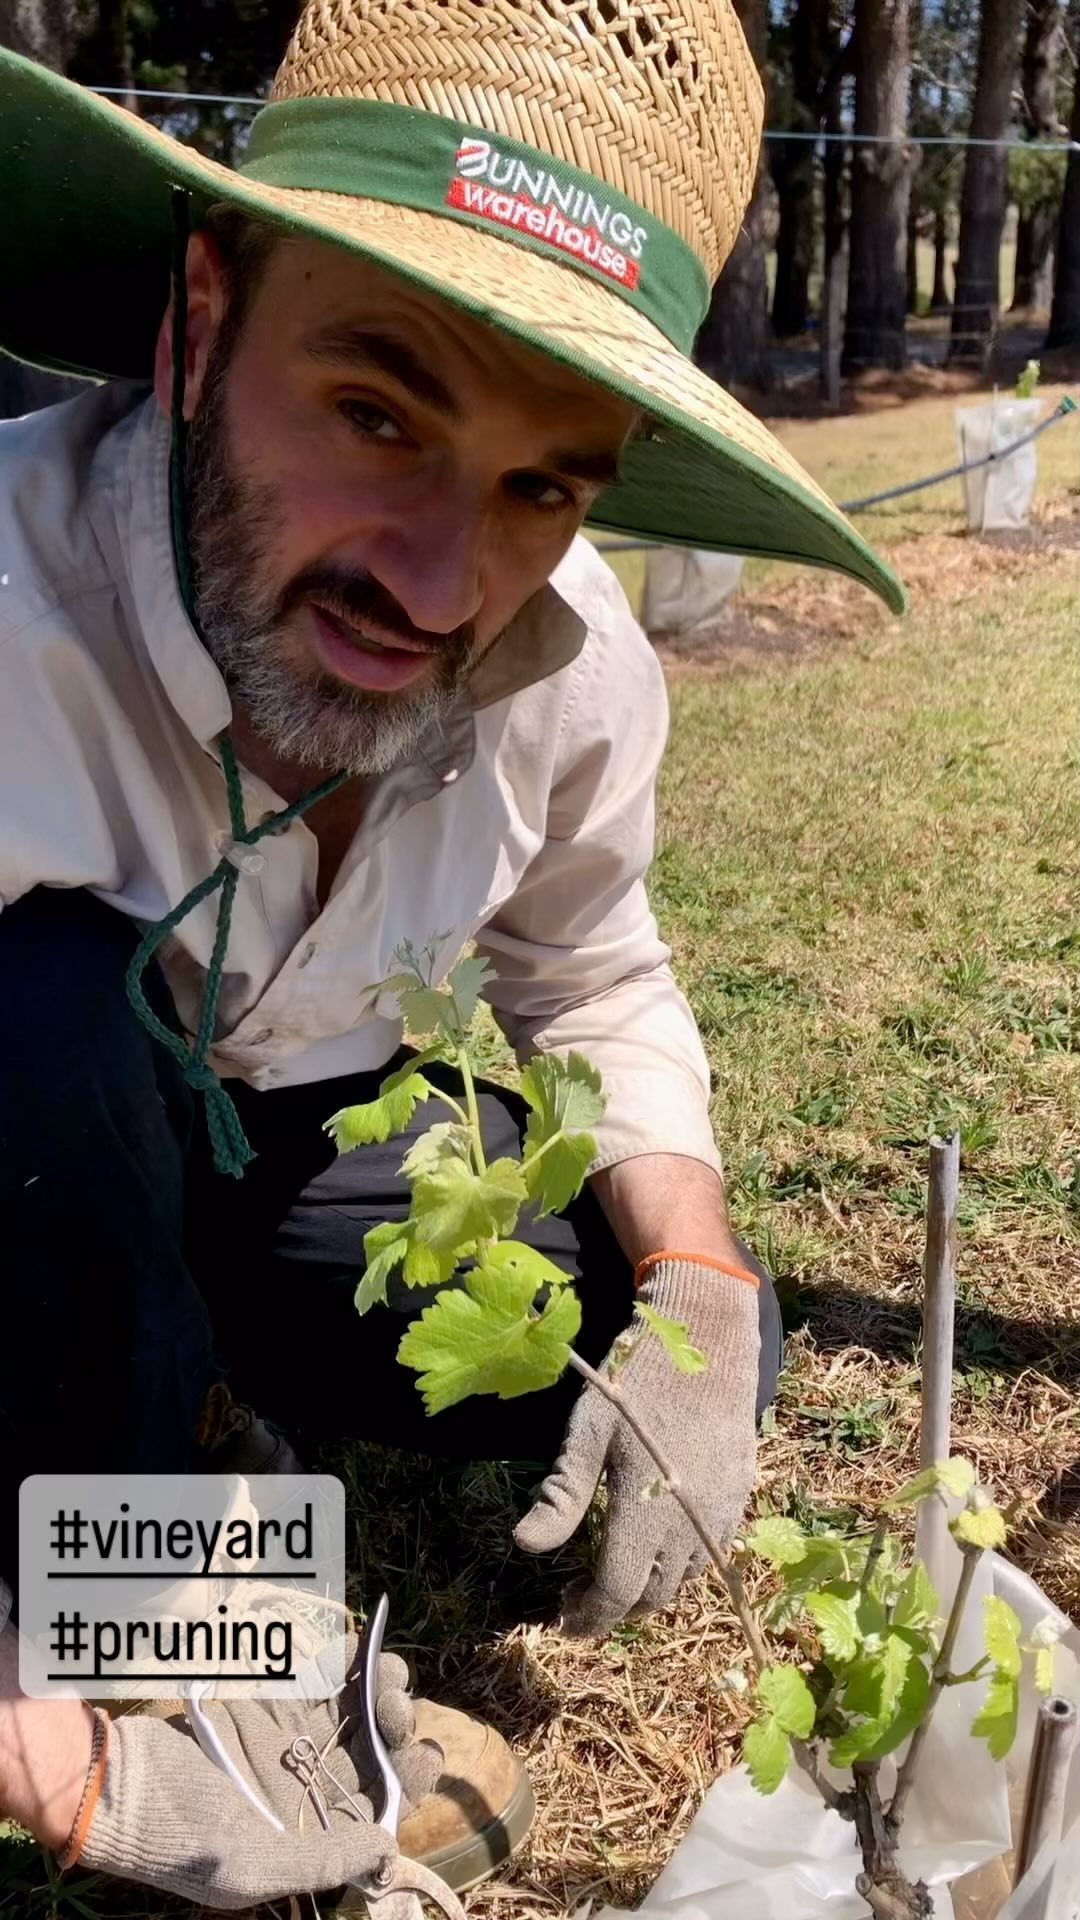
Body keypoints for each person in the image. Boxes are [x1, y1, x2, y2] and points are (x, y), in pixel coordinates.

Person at [0, 0, 902, 1908]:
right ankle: (135, 1588)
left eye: (541, 483)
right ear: (197, 326)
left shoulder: (576, 672)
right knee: (43, 1015)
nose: (435, 584)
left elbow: (594, 973)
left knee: (590, 1316)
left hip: (288, 1148)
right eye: (377, 412)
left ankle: (207, 1377)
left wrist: (702, 1278)